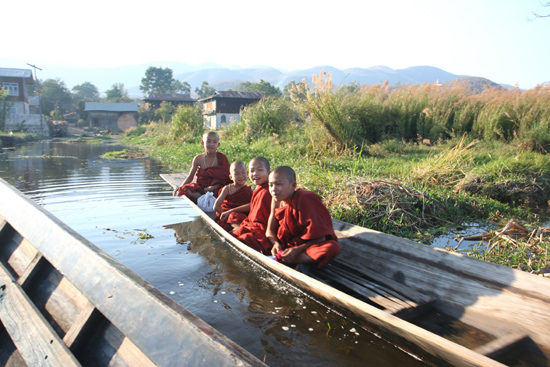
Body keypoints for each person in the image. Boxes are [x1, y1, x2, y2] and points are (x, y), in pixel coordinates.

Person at [266, 166, 340, 270]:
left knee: (332, 248)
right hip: (285, 246)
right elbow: (269, 230)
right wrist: (275, 244)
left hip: (306, 246)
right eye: (270, 185)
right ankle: (291, 260)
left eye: (278, 184)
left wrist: (298, 250)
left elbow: (322, 237)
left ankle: (291, 260)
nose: (273, 189)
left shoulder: (306, 199)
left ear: (293, 185)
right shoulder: (276, 200)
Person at [172, 131, 231, 203]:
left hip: (217, 188)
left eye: (214, 142)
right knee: (186, 189)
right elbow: (190, 177)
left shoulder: (222, 158)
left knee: (227, 190)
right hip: (203, 188)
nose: (211, 144)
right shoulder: (198, 159)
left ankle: (208, 200)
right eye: (208, 141)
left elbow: (227, 178)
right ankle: (207, 200)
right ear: (202, 143)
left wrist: (213, 187)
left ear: (218, 144)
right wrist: (180, 187)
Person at [231, 157, 273, 254]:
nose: (255, 174)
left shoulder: (269, 191)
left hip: (262, 230)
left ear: (269, 173)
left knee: (243, 239)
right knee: (232, 235)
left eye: (260, 170)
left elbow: (262, 220)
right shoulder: (259, 188)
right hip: (253, 225)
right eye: (252, 171)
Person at [214, 161, 253, 231]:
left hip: (242, 214)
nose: (240, 176)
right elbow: (216, 206)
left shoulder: (248, 190)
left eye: (243, 172)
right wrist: (225, 215)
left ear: (247, 174)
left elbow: (251, 205)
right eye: (236, 174)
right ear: (231, 177)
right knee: (233, 216)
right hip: (228, 215)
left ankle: (238, 229)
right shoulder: (228, 189)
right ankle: (237, 229)